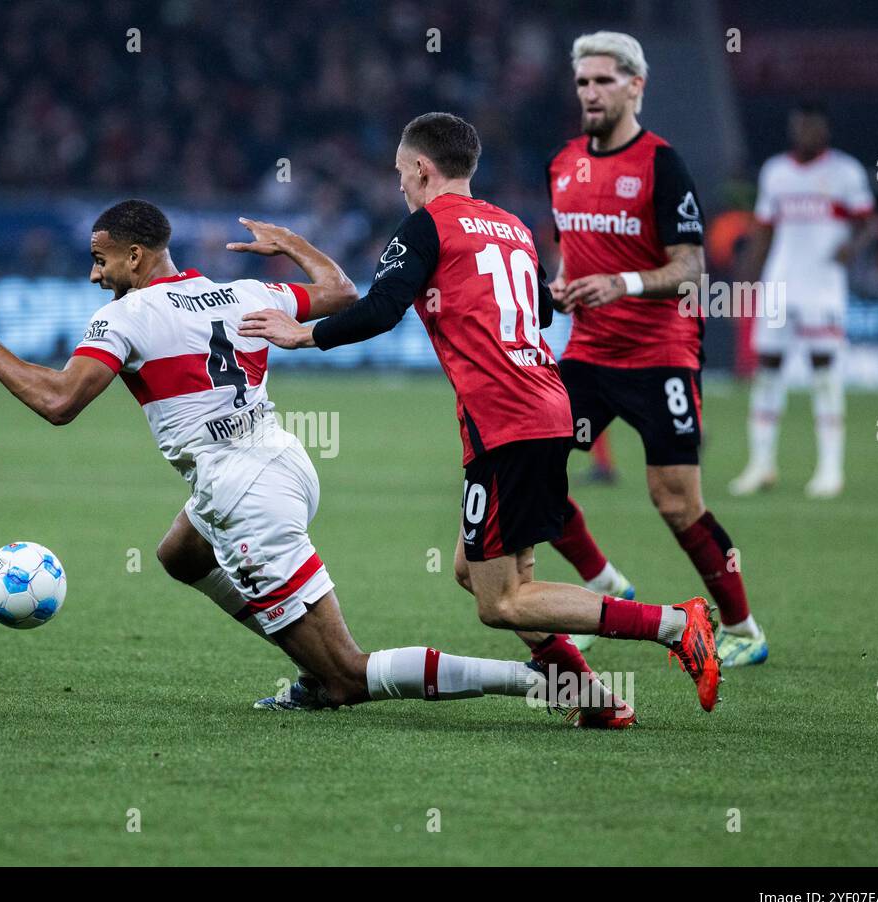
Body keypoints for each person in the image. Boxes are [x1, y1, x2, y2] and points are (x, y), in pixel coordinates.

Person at [0, 199, 607, 722]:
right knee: (180, 554)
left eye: (101, 260)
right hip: (283, 460)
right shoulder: (246, 291)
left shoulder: (126, 317)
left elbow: (58, 402)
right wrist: (293, 246)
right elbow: (344, 292)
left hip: (240, 491)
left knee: (346, 676)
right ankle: (304, 649)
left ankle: (539, 680)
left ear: (137, 258)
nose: (93, 274)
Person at [240, 113, 721, 718]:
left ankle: (676, 625)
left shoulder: (426, 226)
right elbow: (542, 312)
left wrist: (302, 335)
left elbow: (382, 308)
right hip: (542, 405)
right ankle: (594, 699)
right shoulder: (511, 225)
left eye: (400, 174)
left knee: (503, 602)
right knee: (476, 571)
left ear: (421, 167)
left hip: (506, 418)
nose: (400, 187)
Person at [543, 32, 766, 667]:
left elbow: (691, 268)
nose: (591, 92)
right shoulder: (562, 163)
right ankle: (603, 585)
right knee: (531, 474)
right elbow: (572, 250)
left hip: (660, 355)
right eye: (583, 81)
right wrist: (565, 284)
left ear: (636, 86)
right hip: (588, 353)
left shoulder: (661, 164)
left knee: (674, 500)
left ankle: (744, 628)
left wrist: (626, 283)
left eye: (604, 81)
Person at [730, 102, 874, 501]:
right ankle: (761, 464)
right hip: (780, 282)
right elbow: (763, 232)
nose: (807, 132)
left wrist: (853, 247)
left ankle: (830, 468)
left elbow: (867, 223)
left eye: (814, 125)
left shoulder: (845, 172)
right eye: (801, 125)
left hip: (822, 285)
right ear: (793, 128)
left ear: (824, 129)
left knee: (824, 371)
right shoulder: (776, 172)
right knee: (768, 370)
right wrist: (745, 282)